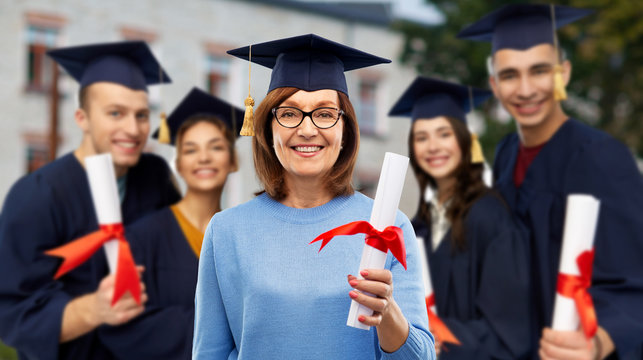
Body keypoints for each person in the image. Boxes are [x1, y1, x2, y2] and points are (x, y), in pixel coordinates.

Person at [192, 34, 435, 359]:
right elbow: (209, 353)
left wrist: (387, 312)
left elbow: (422, 357)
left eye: (324, 113)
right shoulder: (226, 232)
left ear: (345, 128)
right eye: (290, 114)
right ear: (268, 127)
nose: (307, 130)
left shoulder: (388, 227)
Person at [458, 4, 643, 359]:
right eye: (510, 75)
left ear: (565, 73)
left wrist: (598, 341)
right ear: (495, 86)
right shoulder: (507, 154)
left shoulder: (603, 158)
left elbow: (634, 283)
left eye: (540, 71)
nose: (526, 89)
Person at [0, 41, 180, 359]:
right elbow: (15, 312)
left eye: (141, 115)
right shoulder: (36, 195)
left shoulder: (155, 177)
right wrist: (93, 309)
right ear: (82, 118)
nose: (133, 128)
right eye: (115, 113)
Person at [389, 76, 530, 359]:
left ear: (464, 141)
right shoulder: (416, 227)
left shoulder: (490, 216)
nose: (433, 147)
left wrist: (443, 337)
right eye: (421, 137)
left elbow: (512, 326)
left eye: (444, 134)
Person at [98, 87, 243, 359]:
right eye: (190, 149)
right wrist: (218, 327)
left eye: (216, 147)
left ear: (233, 160)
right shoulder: (142, 237)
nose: (203, 158)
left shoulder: (245, 237)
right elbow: (119, 326)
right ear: (178, 162)